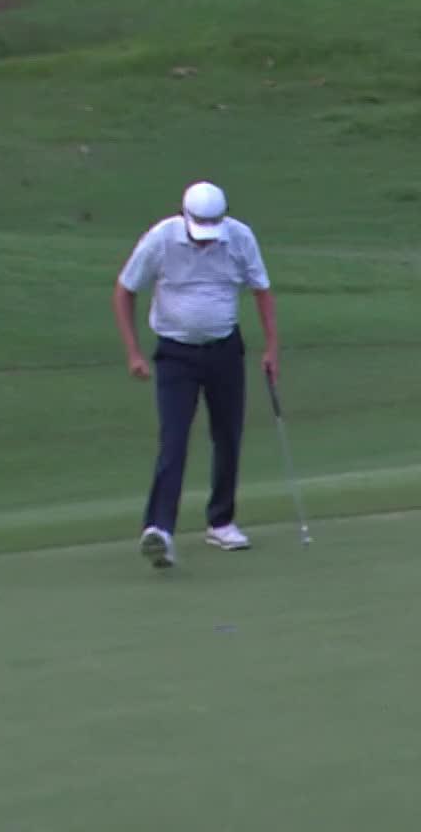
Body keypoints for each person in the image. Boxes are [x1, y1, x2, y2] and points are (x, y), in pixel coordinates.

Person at [113, 181, 278, 569]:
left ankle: (221, 521)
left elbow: (262, 290)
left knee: (228, 435)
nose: (205, 240)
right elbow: (124, 291)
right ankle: (159, 531)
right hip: (175, 354)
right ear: (185, 217)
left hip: (225, 349)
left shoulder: (239, 237)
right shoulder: (161, 238)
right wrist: (134, 352)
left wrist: (272, 347)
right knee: (174, 440)